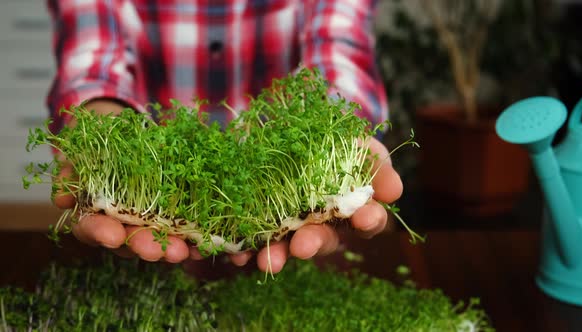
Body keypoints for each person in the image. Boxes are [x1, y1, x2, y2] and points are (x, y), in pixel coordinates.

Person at [46, 0, 403, 274]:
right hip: (135, 257)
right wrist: (99, 123)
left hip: (298, 259)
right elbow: (90, 45)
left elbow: (339, 42)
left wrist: (339, 129)